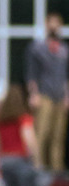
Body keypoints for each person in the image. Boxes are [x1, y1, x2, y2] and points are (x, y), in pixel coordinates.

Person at [25, 11, 68, 175]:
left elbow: (66, 75)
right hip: (44, 94)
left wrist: (66, 96)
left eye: (58, 23)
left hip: (59, 95)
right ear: (46, 24)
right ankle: (38, 166)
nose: (54, 26)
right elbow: (32, 74)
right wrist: (33, 94)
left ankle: (57, 169)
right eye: (52, 22)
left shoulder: (64, 49)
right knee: (42, 132)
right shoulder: (37, 48)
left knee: (58, 135)